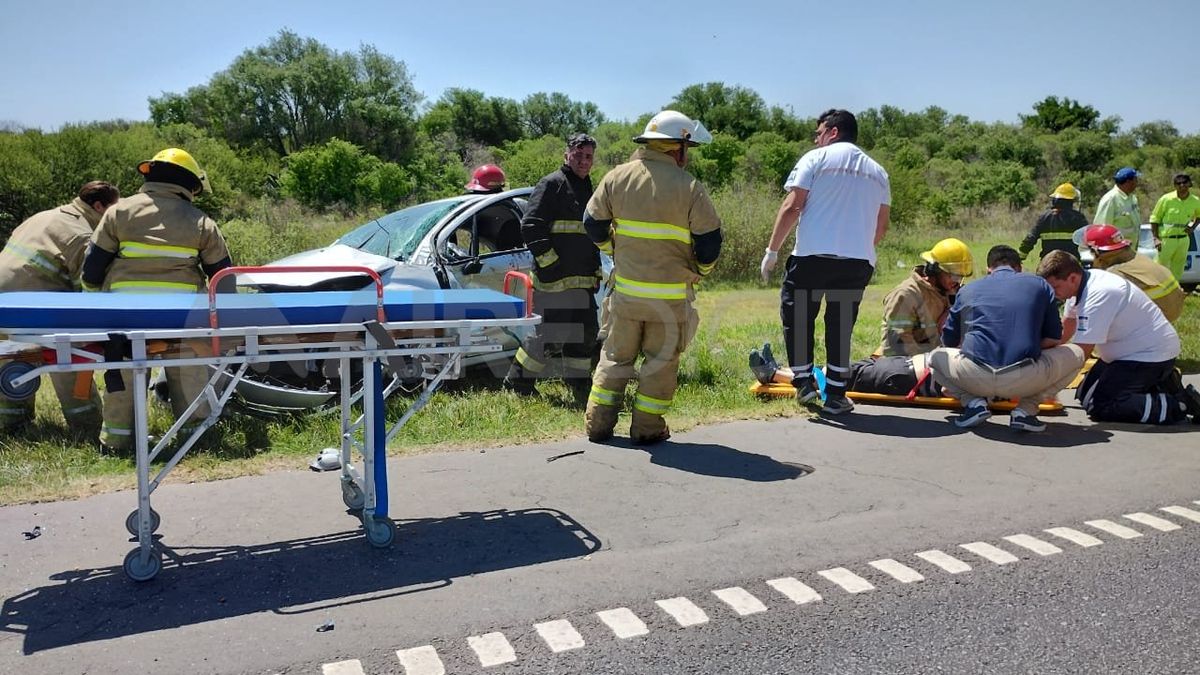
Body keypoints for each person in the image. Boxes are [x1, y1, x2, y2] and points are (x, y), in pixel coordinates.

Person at [582, 110, 722, 443]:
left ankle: (598, 425)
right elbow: (710, 244)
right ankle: (646, 429)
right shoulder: (690, 187)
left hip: (626, 297)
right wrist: (699, 272)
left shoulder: (617, 177)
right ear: (678, 148)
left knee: (615, 359)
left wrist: (612, 248)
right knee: (660, 363)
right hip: (669, 301)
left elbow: (592, 223)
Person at [81, 148, 234, 452]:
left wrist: (99, 306)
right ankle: (195, 438)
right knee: (190, 370)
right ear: (190, 185)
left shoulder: (118, 213)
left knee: (122, 373)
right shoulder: (201, 222)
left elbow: (92, 270)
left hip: (124, 320)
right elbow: (223, 279)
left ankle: (117, 442)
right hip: (182, 322)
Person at [760, 108, 890, 415]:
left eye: (819, 133)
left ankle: (804, 383)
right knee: (841, 325)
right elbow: (881, 226)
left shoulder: (815, 159)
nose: (816, 139)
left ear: (833, 132)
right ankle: (835, 395)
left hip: (812, 257)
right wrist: (857, 248)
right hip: (857, 261)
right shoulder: (878, 172)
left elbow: (793, 206)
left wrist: (772, 251)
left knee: (800, 316)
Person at [0, 181, 120, 433]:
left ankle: (12, 425)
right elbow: (88, 289)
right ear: (99, 206)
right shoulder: (82, 234)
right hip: (33, 304)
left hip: (5, 303)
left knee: (12, 360)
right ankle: (87, 425)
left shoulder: (44, 216)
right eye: (113, 212)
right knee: (70, 351)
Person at [928, 245, 1085, 432]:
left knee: (935, 357)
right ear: (1019, 268)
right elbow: (1053, 338)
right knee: (1077, 354)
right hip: (1023, 377)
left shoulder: (968, 290)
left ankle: (973, 403)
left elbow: (949, 341)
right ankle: (1026, 410)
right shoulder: (1039, 285)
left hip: (975, 376)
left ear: (988, 269)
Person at [1036, 250, 1200, 425]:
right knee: (1085, 395)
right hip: (1126, 356)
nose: (1052, 294)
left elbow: (1080, 355)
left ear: (1072, 278)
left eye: (1055, 288)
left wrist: (1047, 388)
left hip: (1149, 356)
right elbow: (1066, 327)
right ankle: (1161, 384)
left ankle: (1180, 404)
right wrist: (1038, 351)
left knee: (1103, 406)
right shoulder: (1080, 285)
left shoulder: (1098, 295)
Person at [503, 133, 601, 398]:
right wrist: (551, 264)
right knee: (549, 335)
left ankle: (578, 382)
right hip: (554, 281)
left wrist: (595, 270)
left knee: (585, 333)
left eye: (588, 156)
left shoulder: (589, 189)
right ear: (566, 155)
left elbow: (589, 235)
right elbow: (530, 226)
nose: (583, 161)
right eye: (578, 155)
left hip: (582, 281)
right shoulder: (551, 184)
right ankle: (518, 382)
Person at [878, 237, 973, 357]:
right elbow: (899, 343)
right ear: (935, 270)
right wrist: (929, 363)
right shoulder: (906, 295)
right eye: (953, 276)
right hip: (907, 364)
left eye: (960, 277)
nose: (957, 281)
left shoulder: (952, 291)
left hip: (938, 358)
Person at [1075, 224, 1183, 322]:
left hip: (1152, 321)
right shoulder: (1137, 259)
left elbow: (1100, 311)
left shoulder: (1115, 275)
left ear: (1098, 252)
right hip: (1170, 312)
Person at [1148, 172, 1200, 282]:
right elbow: (1154, 218)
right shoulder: (1166, 199)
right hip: (1166, 240)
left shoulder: (1195, 201)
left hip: (1183, 240)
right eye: (1178, 183)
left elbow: (1198, 216)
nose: (1182, 186)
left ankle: (1173, 293)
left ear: (1189, 184)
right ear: (1175, 186)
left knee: (1178, 268)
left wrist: (1192, 227)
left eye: (1184, 183)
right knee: (1159, 267)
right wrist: (1156, 238)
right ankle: (1156, 292)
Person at [1019, 183, 1088, 262]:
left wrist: (1021, 256)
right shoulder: (1078, 218)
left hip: (1047, 262)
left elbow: (1030, 238)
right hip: (1070, 263)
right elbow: (1089, 239)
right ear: (1071, 201)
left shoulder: (1044, 217)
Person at [1093, 167, 1141, 243]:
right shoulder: (1110, 199)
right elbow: (1101, 229)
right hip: (1117, 250)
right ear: (1128, 182)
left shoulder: (1132, 198)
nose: (1137, 182)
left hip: (1131, 249)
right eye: (1136, 179)